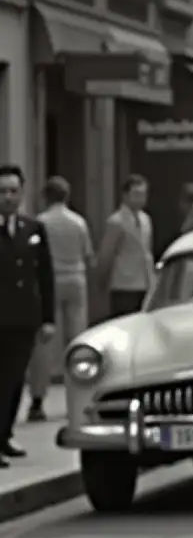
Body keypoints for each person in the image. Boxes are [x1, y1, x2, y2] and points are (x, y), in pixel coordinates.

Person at [0, 165, 56, 468]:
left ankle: (5, 434)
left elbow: (45, 276)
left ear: (22, 194)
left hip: (24, 318)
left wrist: (48, 318)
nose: (8, 197)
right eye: (2, 192)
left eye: (13, 191)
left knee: (15, 380)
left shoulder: (32, 229)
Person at [25, 176, 93, 421]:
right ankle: (79, 397)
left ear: (45, 196)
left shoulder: (40, 222)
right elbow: (87, 254)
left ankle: (37, 399)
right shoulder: (78, 222)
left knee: (44, 341)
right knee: (76, 340)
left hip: (50, 281)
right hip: (75, 278)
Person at [97, 174, 155, 319]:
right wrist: (103, 280)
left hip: (145, 282)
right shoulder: (116, 221)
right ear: (125, 195)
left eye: (143, 194)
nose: (140, 199)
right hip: (123, 284)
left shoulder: (146, 219)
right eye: (136, 194)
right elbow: (106, 254)